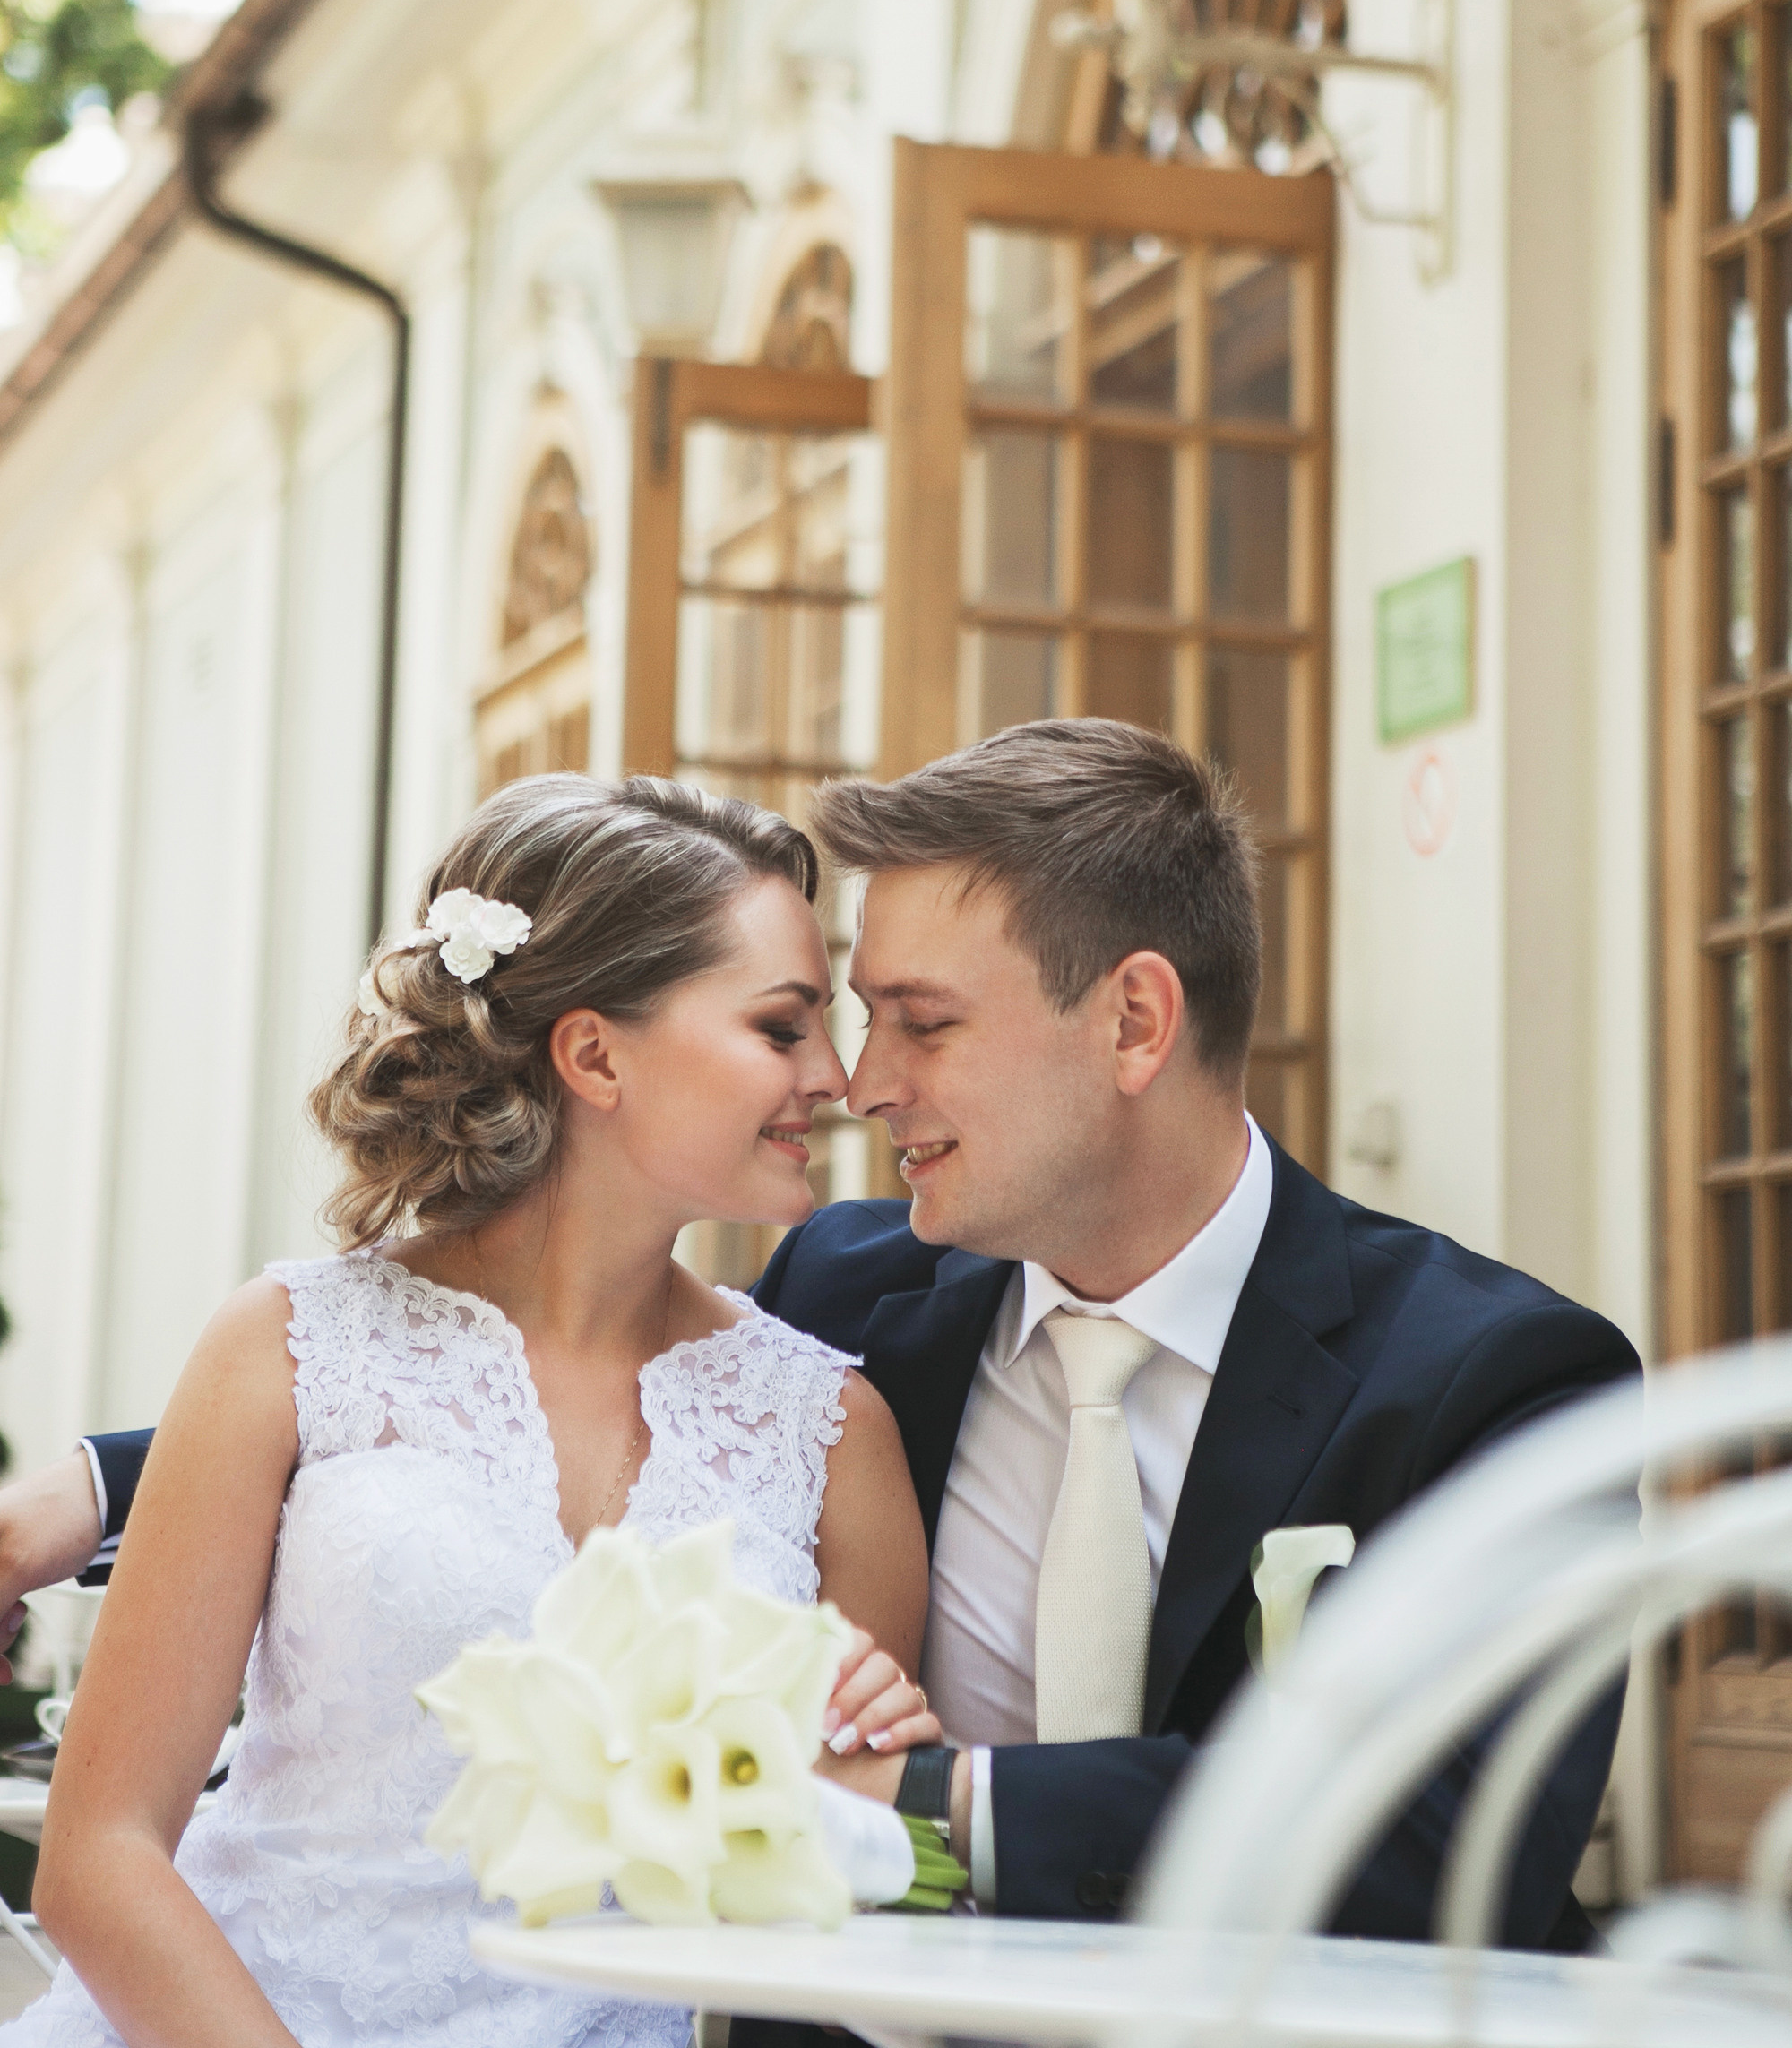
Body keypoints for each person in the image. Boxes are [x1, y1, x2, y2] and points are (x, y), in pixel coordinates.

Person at [3, 723, 1639, 1958]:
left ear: (1135, 1023)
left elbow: (1450, 1842)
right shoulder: (854, 1303)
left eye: (921, 1024)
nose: (858, 1085)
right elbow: (521, 1407)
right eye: (832, 1022)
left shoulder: (1495, 1383)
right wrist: (103, 1487)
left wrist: (914, 1805)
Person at [2, 775, 938, 2048]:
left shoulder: (831, 1430)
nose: (833, 1076)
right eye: (782, 1027)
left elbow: (829, 1903)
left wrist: (869, 1788)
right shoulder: (288, 1347)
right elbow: (99, 1857)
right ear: (595, 1055)